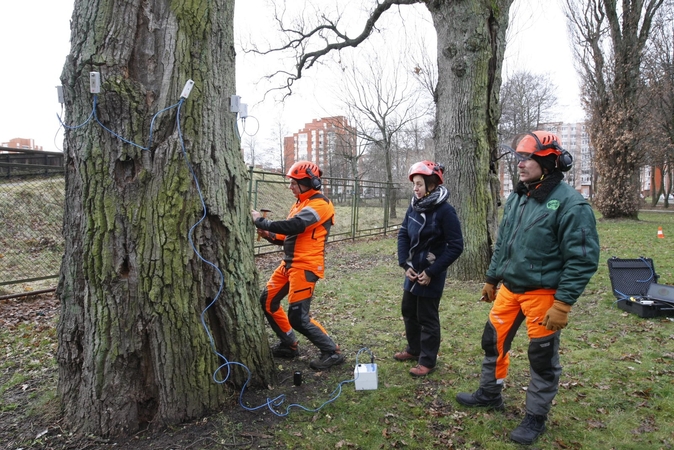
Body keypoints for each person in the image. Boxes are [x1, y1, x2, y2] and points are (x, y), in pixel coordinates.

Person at [455, 131, 600, 445]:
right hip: (510, 288)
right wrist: (492, 279)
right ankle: (489, 393)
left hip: (544, 294)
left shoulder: (571, 205)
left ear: (549, 162)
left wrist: (563, 303)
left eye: (527, 158)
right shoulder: (519, 196)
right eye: (518, 157)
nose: (520, 164)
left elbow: (583, 259)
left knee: (541, 357)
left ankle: (535, 417)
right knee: (493, 341)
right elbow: (504, 244)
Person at [251, 160, 345, 371]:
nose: (290, 186)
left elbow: (297, 225)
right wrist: (269, 234)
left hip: (306, 266)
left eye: (294, 183)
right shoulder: (299, 203)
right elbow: (287, 235)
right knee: (267, 301)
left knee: (298, 317)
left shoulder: (320, 204)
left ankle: (332, 352)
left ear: (308, 182)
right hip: (289, 264)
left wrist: (261, 222)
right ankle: (289, 344)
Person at [395, 160, 464, 377]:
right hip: (413, 271)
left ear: (431, 185)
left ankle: (428, 360)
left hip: (431, 273)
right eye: (414, 184)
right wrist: (405, 263)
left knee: (427, 317)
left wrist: (432, 272)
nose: (415, 189)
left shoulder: (446, 211)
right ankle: (414, 350)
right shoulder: (414, 205)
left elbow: (456, 246)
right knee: (408, 310)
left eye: (419, 184)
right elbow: (404, 233)